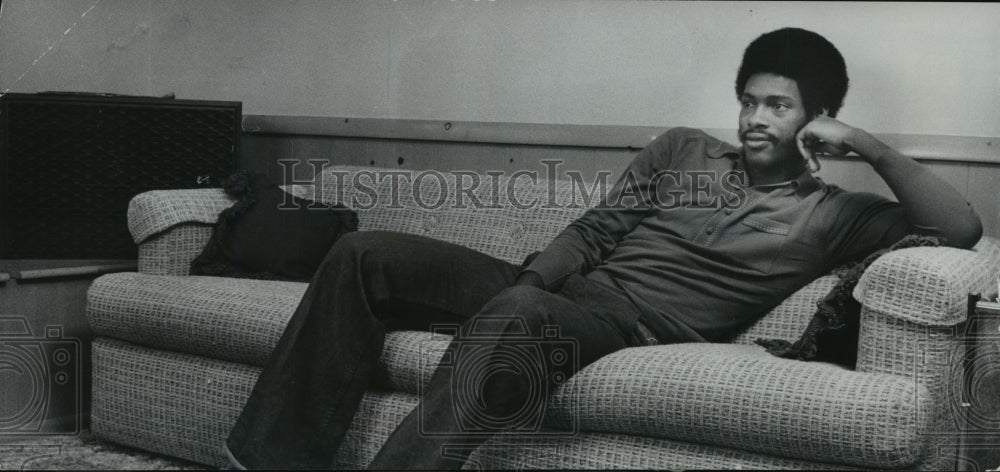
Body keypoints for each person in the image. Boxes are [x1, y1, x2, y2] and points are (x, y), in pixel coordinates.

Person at [223, 27, 983, 470]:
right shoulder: (684, 150)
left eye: (777, 105)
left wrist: (870, 147)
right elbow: (596, 231)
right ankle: (269, 461)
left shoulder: (834, 214)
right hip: (552, 289)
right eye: (748, 101)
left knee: (519, 313)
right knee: (368, 254)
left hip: (626, 327)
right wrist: (533, 279)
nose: (755, 119)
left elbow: (961, 230)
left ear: (819, 117)